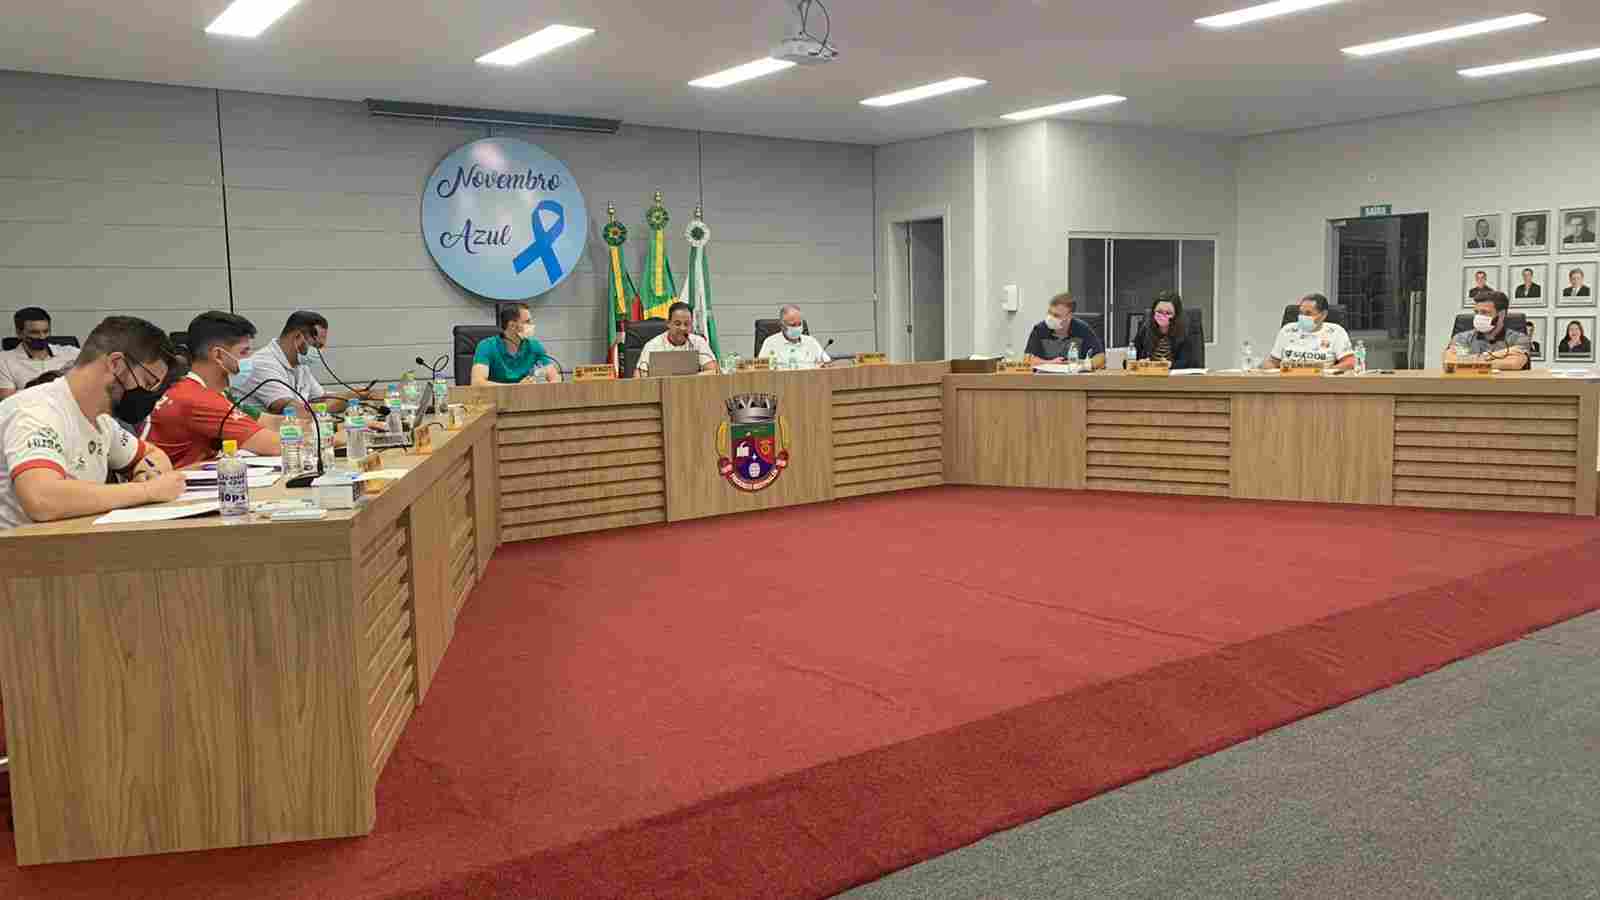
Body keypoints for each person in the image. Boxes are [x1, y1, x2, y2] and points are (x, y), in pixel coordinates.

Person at [0, 315, 183, 528]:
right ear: (116, 364)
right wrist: (147, 491)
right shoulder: (36, 410)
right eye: (147, 382)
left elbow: (153, 455)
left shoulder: (102, 421)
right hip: (22, 546)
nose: (148, 394)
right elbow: (41, 499)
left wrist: (147, 474)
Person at [144, 311, 287, 470]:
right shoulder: (197, 399)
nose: (250, 359)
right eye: (244, 352)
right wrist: (306, 436)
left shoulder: (211, 392)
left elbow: (267, 422)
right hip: (176, 481)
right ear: (218, 355)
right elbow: (276, 445)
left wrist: (305, 423)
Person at [239, 311, 374, 414]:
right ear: (298, 337)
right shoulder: (263, 364)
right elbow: (291, 410)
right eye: (317, 346)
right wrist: (345, 400)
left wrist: (358, 395)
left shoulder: (299, 365)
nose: (319, 352)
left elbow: (320, 397)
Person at [0, 307, 82, 401]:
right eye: (35, 332)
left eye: (46, 331)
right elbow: (8, 401)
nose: (42, 337)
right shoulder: (4, 360)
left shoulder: (72, 353)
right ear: (19, 333)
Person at [471, 303, 561, 385]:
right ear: (512, 325)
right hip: (496, 396)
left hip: (526, 396)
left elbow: (555, 377)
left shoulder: (534, 345)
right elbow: (477, 383)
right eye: (527, 322)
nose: (532, 325)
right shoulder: (487, 346)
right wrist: (517, 387)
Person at [1264, 293, 1355, 370]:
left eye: (1308, 313)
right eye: (1301, 313)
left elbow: (1349, 362)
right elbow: (1273, 362)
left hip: (1321, 381)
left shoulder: (1336, 332)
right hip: (1288, 379)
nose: (1303, 317)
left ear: (1323, 315)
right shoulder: (1287, 330)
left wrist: (1325, 373)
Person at [1443, 291, 1530, 372]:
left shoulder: (1519, 338)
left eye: (1484, 312)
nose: (1478, 317)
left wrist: (1466, 360)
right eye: (1476, 312)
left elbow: (1514, 363)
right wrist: (1498, 355)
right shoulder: (1461, 337)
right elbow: (1449, 363)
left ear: (1501, 314)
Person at [1023, 293, 1105, 369]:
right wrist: (1051, 363)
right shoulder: (1040, 329)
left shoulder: (1082, 329)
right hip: (1046, 377)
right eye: (1049, 313)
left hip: (1075, 377)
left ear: (1069, 316)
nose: (1050, 318)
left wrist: (1082, 365)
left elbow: (1100, 357)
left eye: (1056, 315)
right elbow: (1027, 359)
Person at [636, 302, 716, 376]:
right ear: (668, 323)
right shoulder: (653, 345)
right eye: (677, 324)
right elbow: (639, 376)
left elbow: (713, 371)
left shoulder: (698, 342)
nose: (682, 328)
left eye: (686, 324)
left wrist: (689, 379)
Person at [1129, 290, 1202, 369]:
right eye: (1159, 312)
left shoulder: (1186, 331)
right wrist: (1139, 363)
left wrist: (1170, 365)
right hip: (1149, 374)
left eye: (1168, 313)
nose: (1162, 316)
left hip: (1174, 375)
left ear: (1176, 315)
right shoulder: (1146, 328)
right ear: (1153, 312)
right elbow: (1129, 361)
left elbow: (1192, 364)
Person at [758, 304, 831, 369]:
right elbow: (760, 368)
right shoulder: (770, 343)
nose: (797, 328)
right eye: (793, 325)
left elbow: (827, 363)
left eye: (799, 324)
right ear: (782, 326)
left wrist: (823, 365)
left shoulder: (811, 341)